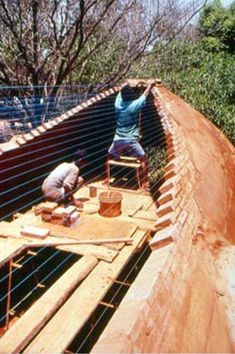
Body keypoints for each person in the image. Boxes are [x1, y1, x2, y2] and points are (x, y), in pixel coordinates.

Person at [105, 80, 155, 191]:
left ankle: (106, 179)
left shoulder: (118, 105)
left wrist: (125, 84)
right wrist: (150, 85)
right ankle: (145, 183)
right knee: (143, 160)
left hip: (117, 140)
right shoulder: (133, 106)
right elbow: (144, 95)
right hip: (130, 140)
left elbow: (120, 92)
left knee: (109, 157)